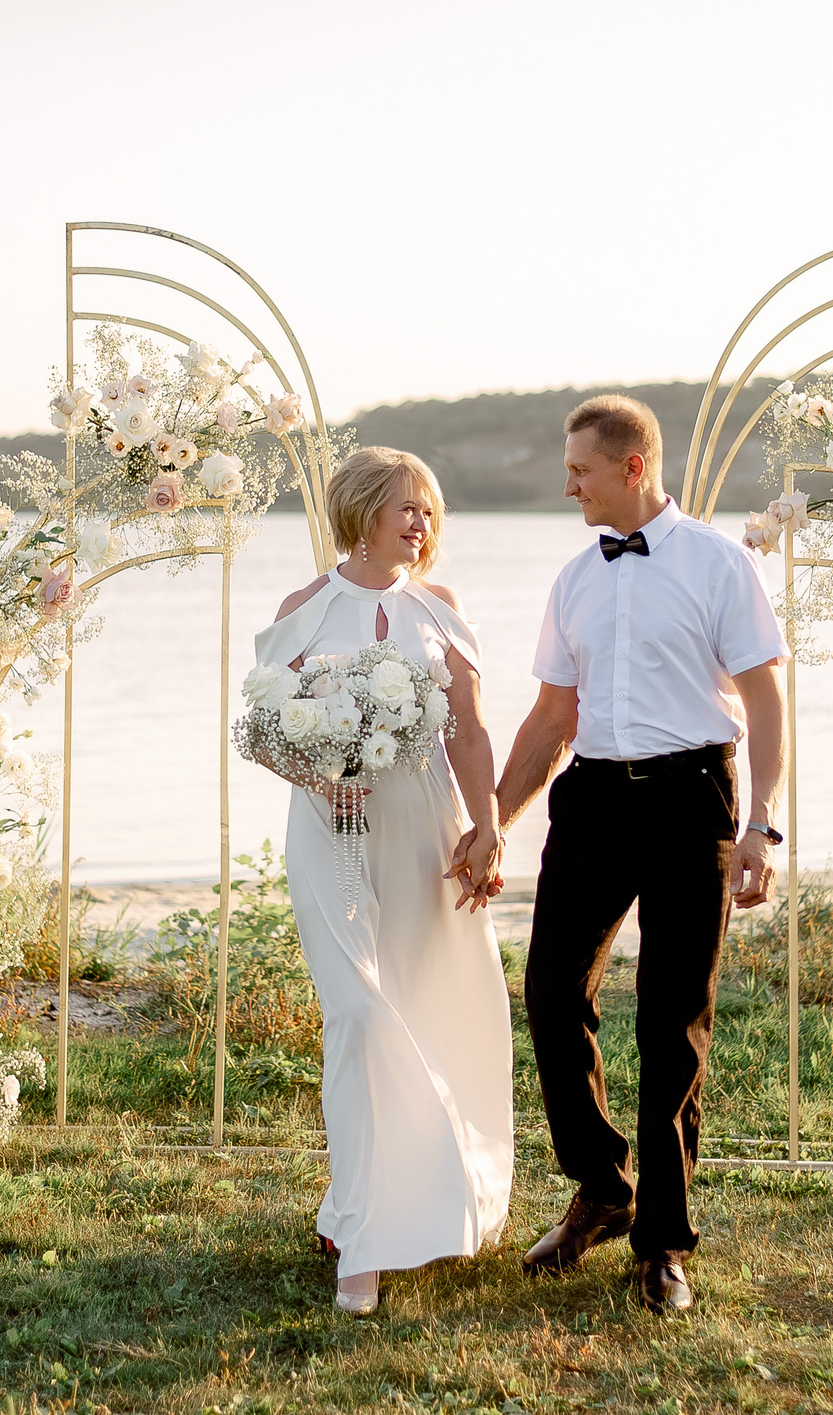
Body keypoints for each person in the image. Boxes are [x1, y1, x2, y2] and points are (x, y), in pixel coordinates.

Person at [493, 395, 785, 1314]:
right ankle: (602, 1187)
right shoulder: (575, 578)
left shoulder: (719, 564)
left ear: (632, 467)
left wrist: (762, 825)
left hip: (690, 796)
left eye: (579, 468)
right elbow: (550, 718)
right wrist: (493, 819)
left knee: (671, 1020)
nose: (567, 482)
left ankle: (662, 1239)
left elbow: (767, 699)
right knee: (549, 991)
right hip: (589, 801)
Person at [256, 446, 514, 1317]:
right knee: (361, 1016)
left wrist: (489, 827)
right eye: (405, 506)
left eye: (430, 510)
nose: (421, 523)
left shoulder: (441, 610)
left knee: (435, 1004)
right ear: (361, 509)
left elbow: (471, 735)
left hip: (424, 833)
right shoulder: (307, 609)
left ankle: (414, 1203)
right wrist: (320, 772)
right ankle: (363, 1239)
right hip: (331, 835)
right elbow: (259, 729)